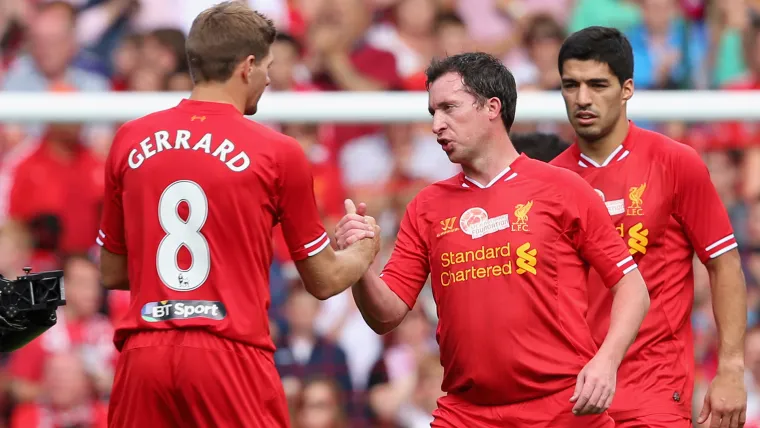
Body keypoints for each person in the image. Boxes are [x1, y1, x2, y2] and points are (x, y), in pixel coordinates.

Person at [96, 3, 379, 428]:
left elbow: (112, 271)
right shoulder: (277, 151)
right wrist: (365, 248)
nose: (268, 78)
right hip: (228, 353)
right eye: (267, 66)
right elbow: (322, 281)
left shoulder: (129, 139)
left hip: (145, 352)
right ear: (247, 66)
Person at [334, 52, 650, 428]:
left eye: (449, 108)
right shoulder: (426, 206)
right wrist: (358, 266)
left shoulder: (562, 188)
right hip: (465, 413)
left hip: (562, 409)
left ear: (492, 107)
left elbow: (632, 287)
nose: (436, 125)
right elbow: (386, 316)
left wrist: (606, 361)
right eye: (433, 111)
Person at [550, 26, 748, 428]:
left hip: (654, 392)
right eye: (571, 85)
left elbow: (724, 264)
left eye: (597, 84)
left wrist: (730, 368)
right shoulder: (549, 182)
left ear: (627, 89)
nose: (583, 98)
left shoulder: (676, 163)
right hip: (571, 397)